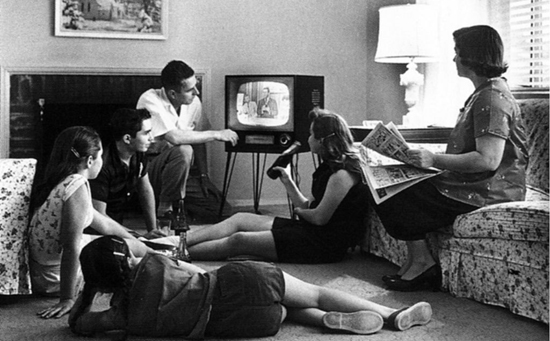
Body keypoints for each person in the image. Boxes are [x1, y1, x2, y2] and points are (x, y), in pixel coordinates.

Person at [374, 25, 528, 291]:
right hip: (471, 183)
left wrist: (433, 159)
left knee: (394, 191)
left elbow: (488, 160)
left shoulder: (492, 99)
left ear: (472, 55)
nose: (454, 58)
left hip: (488, 191)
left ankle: (422, 264)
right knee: (386, 184)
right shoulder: (484, 93)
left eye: (457, 52)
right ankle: (417, 261)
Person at [69, 235, 433, 338]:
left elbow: (80, 325)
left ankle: (323, 322)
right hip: (241, 284)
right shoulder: (153, 262)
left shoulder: (124, 317)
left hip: (244, 325)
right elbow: (185, 264)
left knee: (285, 311)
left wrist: (87, 293)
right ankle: (390, 313)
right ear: (128, 258)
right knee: (314, 290)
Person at [158, 108, 370, 264]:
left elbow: (318, 217)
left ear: (323, 141)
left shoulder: (342, 175)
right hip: (311, 230)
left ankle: (175, 254)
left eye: (312, 134)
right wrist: (288, 181)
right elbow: (310, 208)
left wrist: (297, 211)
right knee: (241, 218)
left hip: (323, 244)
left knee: (239, 240)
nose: (308, 138)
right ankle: (174, 242)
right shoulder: (329, 168)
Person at [28, 126, 151, 319]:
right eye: (101, 156)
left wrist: (139, 238)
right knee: (127, 252)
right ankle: (170, 255)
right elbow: (71, 247)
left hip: (44, 271)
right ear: (90, 161)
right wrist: (67, 298)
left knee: (136, 244)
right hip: (54, 277)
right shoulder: (77, 185)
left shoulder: (63, 181)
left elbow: (104, 224)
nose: (102, 162)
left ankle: (166, 249)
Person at [136, 60, 238, 221]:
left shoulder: (193, 101)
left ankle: (178, 204)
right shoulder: (149, 99)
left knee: (223, 212)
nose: (196, 92)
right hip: (150, 170)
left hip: (181, 172)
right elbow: (174, 137)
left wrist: (204, 175)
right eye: (190, 89)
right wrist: (217, 134)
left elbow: (199, 139)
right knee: (184, 149)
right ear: (172, 94)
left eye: (195, 85)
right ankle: (165, 206)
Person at [88, 108, 162, 239]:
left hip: (119, 227)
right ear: (127, 138)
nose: (152, 138)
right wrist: (138, 237)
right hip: (97, 232)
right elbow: (100, 217)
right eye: (146, 133)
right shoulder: (102, 166)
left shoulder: (139, 154)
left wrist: (153, 229)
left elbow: (145, 190)